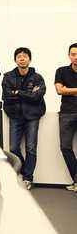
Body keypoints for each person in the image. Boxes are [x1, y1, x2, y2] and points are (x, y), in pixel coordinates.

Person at [2, 47, 46, 190]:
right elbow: (7, 96)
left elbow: (37, 97)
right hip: (15, 115)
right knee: (13, 148)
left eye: (25, 56)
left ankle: (28, 178)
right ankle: (24, 171)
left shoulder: (37, 78)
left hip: (33, 116)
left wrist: (18, 92)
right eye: (19, 56)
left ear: (29, 59)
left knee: (31, 148)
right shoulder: (8, 77)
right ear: (15, 60)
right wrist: (27, 94)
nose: (22, 59)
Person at [55, 42, 77, 192]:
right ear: (69, 55)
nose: (76, 57)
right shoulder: (61, 71)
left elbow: (64, 90)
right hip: (66, 113)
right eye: (73, 54)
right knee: (65, 147)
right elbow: (59, 90)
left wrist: (68, 90)